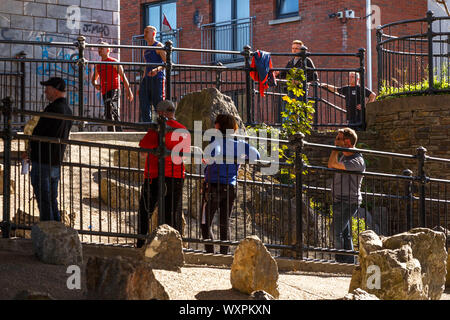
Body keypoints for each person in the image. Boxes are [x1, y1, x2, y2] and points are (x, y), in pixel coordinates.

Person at [201, 114, 260, 254]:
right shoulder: (239, 145)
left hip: (213, 185)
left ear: (218, 126)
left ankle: (210, 252)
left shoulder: (216, 143)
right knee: (224, 221)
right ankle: (224, 253)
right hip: (231, 187)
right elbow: (256, 155)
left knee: (205, 221)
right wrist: (240, 158)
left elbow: (208, 157)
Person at [137, 100, 190, 248]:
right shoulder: (183, 130)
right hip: (177, 176)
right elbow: (185, 155)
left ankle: (141, 243)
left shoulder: (157, 129)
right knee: (172, 212)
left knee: (145, 211)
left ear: (161, 113)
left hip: (154, 175)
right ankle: (173, 246)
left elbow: (143, 148)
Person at [22, 77, 73, 221]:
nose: (45, 91)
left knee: (45, 200)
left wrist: (29, 150)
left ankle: (48, 231)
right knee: (52, 199)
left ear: (55, 90)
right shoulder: (67, 110)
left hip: (43, 160)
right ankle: (56, 229)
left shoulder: (52, 109)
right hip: (55, 161)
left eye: (48, 88)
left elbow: (38, 133)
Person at [327, 128, 366, 264]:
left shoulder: (357, 161)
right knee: (344, 232)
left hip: (349, 201)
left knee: (334, 231)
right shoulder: (345, 156)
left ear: (347, 142)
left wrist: (335, 149)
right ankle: (349, 261)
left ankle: (340, 261)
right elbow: (332, 166)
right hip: (339, 199)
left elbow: (332, 164)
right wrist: (337, 148)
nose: (335, 141)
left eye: (338, 139)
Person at [91, 41, 133, 132]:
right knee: (108, 112)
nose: (99, 50)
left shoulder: (114, 62)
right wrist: (95, 85)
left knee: (112, 109)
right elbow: (93, 79)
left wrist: (129, 91)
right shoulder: (98, 65)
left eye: (102, 48)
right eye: (99, 48)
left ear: (108, 50)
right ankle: (111, 132)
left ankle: (119, 132)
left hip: (114, 89)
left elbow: (123, 77)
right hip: (104, 91)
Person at [139, 25, 166, 123]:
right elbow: (146, 66)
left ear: (153, 34)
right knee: (144, 104)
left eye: (147, 32)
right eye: (144, 31)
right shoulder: (145, 49)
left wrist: (156, 70)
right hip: (147, 79)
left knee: (158, 103)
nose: (144, 34)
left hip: (157, 78)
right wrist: (142, 81)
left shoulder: (159, 46)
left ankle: (162, 126)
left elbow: (167, 63)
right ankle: (147, 126)